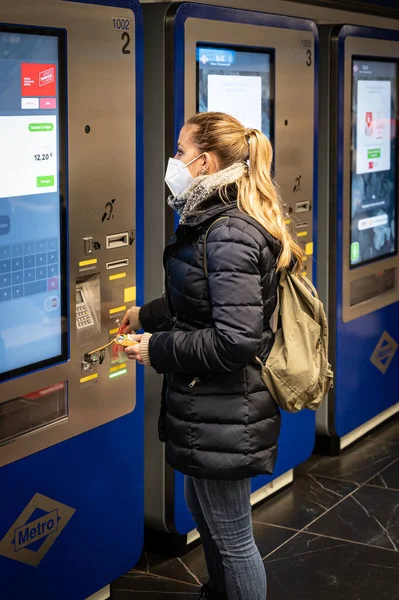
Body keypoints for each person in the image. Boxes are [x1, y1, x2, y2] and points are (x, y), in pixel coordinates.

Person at [121, 112, 303, 600]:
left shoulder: (227, 231)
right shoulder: (211, 219)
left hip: (228, 408)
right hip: (213, 408)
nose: (174, 161)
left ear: (207, 161)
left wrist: (154, 348)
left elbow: (235, 338)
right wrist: (146, 315)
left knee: (233, 539)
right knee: (208, 517)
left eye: (181, 151)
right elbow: (201, 298)